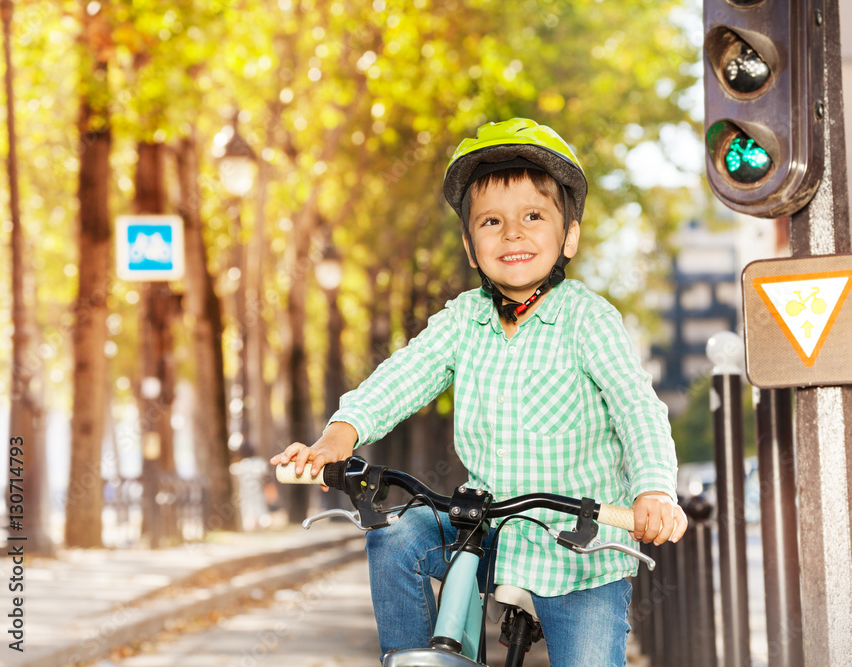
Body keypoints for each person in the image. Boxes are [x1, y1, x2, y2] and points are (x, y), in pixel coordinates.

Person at [270, 118, 686, 666]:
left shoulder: (587, 318)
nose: (512, 233)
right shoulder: (465, 320)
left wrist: (653, 491)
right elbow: (402, 376)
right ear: (471, 246)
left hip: (579, 549)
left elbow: (638, 408)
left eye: (533, 217)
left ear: (571, 236)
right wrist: (337, 438)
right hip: (486, 528)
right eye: (491, 222)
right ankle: (417, 663)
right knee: (397, 538)